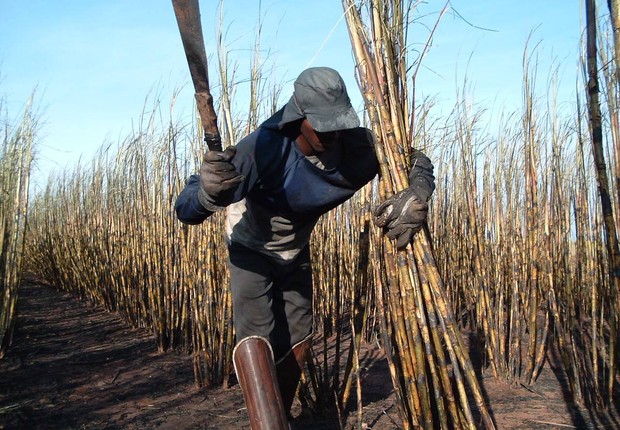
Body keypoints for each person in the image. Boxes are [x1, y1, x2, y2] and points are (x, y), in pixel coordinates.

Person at [175, 67, 435, 427]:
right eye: (323, 125)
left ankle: (277, 416)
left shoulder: (357, 148)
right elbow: (185, 208)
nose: (333, 134)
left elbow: (414, 160)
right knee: (257, 339)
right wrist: (207, 193)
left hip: (295, 247)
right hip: (250, 246)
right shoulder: (262, 149)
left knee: (299, 337)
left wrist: (417, 192)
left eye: (339, 122)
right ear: (299, 119)